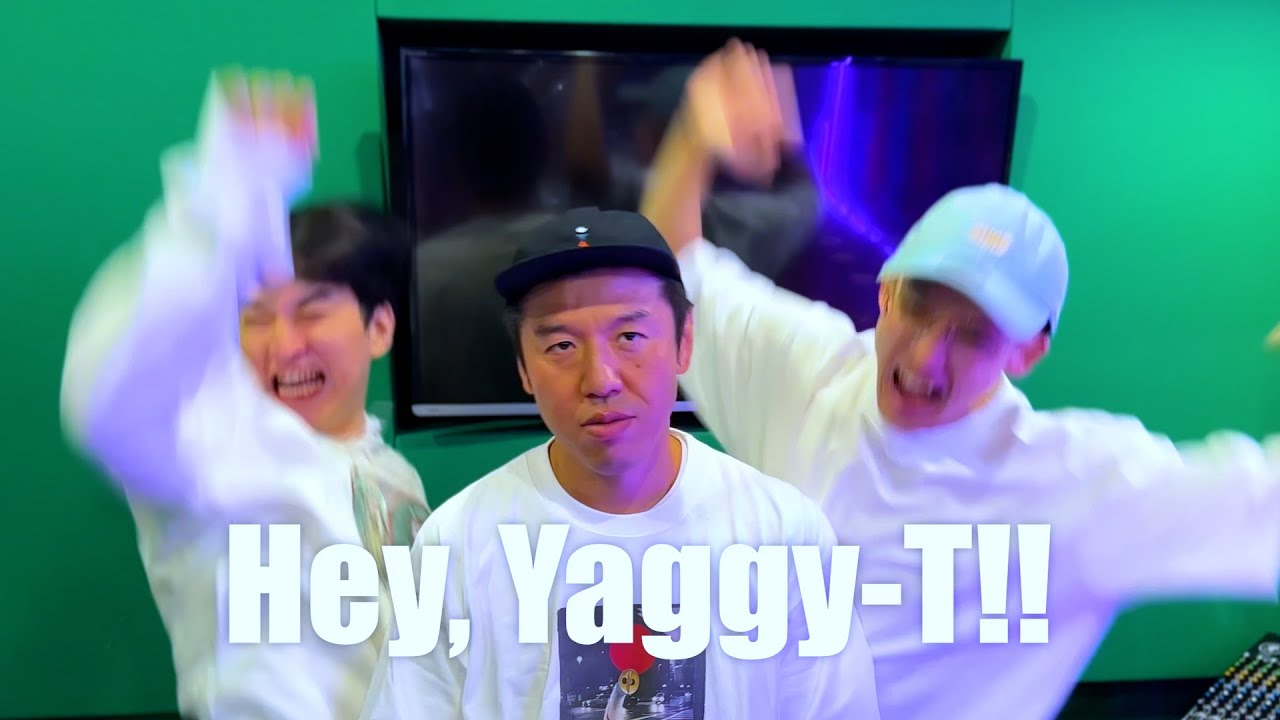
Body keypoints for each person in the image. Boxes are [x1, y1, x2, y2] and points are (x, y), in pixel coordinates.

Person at [640, 40, 1280, 720]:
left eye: (973, 334)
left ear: (1027, 354)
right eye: (918, 305)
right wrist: (693, 139)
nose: (925, 357)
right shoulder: (806, 371)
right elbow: (670, 275)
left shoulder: (1078, 484)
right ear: (885, 291)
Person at [369, 207, 881, 719]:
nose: (600, 380)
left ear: (684, 342)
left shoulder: (783, 533)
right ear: (523, 368)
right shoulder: (457, 544)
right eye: (561, 345)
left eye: (629, 337)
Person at [59, 70, 430, 718]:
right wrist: (222, 208)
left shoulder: (395, 477)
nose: (283, 346)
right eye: (256, 316)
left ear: (379, 327)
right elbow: (107, 398)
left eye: (312, 311)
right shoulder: (213, 444)